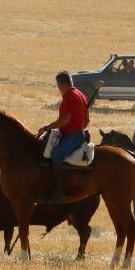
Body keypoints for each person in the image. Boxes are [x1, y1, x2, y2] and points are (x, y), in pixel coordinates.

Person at [37, 71, 88, 202]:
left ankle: (59, 191)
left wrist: (47, 127)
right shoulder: (81, 94)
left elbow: (65, 119)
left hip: (73, 136)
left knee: (56, 155)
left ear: (60, 84)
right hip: (76, 133)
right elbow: (87, 120)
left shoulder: (69, 97)